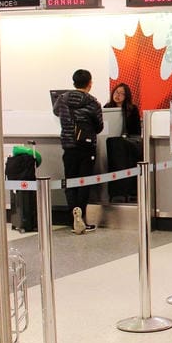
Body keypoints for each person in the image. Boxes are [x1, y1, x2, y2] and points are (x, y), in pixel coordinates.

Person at [53, 69, 104, 234]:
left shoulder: (62, 100)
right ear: (90, 83)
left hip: (68, 146)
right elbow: (99, 126)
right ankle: (81, 217)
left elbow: (56, 112)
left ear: (74, 82)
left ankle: (73, 217)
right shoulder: (93, 103)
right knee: (84, 183)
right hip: (86, 147)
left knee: (70, 182)